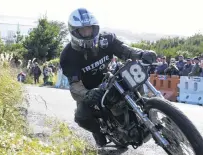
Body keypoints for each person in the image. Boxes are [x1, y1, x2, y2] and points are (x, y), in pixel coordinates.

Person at [60, 8, 157, 147]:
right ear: (74, 32)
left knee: (134, 81)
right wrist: (87, 94)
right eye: (83, 30)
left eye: (90, 29)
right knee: (81, 117)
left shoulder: (106, 39)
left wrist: (141, 54)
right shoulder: (68, 55)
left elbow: (125, 50)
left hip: (110, 78)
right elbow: (74, 85)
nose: (88, 33)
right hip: (90, 90)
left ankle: (147, 109)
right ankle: (98, 133)